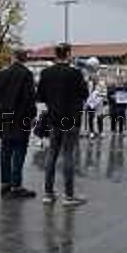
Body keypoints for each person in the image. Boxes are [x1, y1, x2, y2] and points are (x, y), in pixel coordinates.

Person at [37, 43, 89, 206]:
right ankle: (68, 195)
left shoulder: (46, 73)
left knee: (52, 153)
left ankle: (48, 193)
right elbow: (84, 94)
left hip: (53, 118)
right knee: (67, 154)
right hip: (71, 118)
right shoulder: (75, 73)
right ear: (67, 54)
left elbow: (41, 96)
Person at [0, 50, 37, 197]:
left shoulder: (0, 74)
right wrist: (32, 116)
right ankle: (16, 185)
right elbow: (30, 99)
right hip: (21, 116)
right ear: (25, 59)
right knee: (19, 150)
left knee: (6, 150)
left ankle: (5, 183)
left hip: (5, 115)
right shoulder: (27, 74)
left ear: (12, 58)